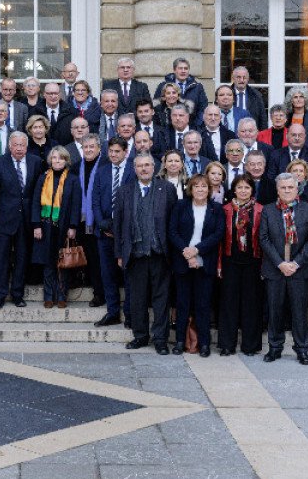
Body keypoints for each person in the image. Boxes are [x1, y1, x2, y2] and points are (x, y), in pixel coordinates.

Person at [114, 153, 176, 354]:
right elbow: (119, 225)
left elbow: (173, 224)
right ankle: (140, 336)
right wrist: (119, 253)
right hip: (135, 254)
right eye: (140, 166)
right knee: (137, 299)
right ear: (134, 168)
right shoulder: (124, 191)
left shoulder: (167, 189)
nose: (144, 169)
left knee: (161, 298)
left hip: (160, 253)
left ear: (155, 167)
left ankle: (160, 339)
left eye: (148, 165)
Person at [259, 172, 308, 365]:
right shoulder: (268, 210)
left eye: (290, 187)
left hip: (299, 270)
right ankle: (275, 347)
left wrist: (295, 263)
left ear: (297, 188)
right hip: (275, 269)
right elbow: (264, 239)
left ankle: (302, 349)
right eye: (283, 187)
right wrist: (280, 263)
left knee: (299, 312)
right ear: (277, 189)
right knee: (275, 311)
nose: (287, 190)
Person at [169, 174, 223, 356]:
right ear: (190, 189)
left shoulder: (216, 209)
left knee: (203, 304)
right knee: (182, 303)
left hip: (205, 261)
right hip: (183, 261)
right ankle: (179, 342)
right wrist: (187, 251)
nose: (200, 190)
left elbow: (217, 234)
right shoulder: (180, 206)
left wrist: (196, 250)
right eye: (196, 186)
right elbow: (172, 231)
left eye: (204, 186)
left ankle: (204, 344)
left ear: (209, 190)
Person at [0, 131, 41, 309]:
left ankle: (17, 294)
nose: (19, 148)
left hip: (26, 221)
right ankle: (0, 295)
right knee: (1, 259)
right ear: (10, 146)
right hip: (3, 220)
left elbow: (37, 195)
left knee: (22, 258)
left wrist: (36, 222)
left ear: (27, 146)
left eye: (22, 145)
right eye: (15, 145)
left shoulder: (36, 162)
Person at [30, 146, 82, 309]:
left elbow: (76, 204)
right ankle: (48, 296)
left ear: (66, 160)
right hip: (45, 227)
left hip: (63, 227)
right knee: (48, 263)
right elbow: (35, 202)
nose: (57, 161)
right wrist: (36, 225)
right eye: (54, 158)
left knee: (62, 262)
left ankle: (61, 295)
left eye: (60, 158)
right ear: (50, 160)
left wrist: (73, 226)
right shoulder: (43, 178)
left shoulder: (73, 179)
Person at [219, 175, 264, 356]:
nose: (243, 191)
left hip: (253, 262)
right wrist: (219, 264)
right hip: (230, 261)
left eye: (247, 187)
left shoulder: (261, 210)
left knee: (251, 304)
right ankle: (227, 345)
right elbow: (220, 240)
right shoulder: (226, 210)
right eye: (240, 187)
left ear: (252, 190)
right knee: (228, 303)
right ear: (234, 190)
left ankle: (250, 346)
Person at [91, 137, 131, 327]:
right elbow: (95, 201)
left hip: (126, 233)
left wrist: (119, 228)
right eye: (111, 151)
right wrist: (102, 224)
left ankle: (130, 314)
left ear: (125, 152)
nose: (114, 155)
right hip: (104, 233)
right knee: (108, 274)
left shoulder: (133, 170)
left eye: (117, 151)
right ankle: (112, 312)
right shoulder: (102, 171)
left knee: (128, 275)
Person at [73, 135, 105, 306]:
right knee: (91, 259)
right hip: (82, 222)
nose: (89, 150)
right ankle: (96, 291)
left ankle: (104, 292)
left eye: (92, 146)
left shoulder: (106, 166)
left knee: (102, 260)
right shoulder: (76, 167)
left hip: (101, 221)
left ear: (99, 148)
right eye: (86, 147)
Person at [154, 57, 208, 122]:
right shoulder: (163, 86)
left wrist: (197, 126)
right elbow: (156, 107)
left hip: (192, 127)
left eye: (186, 68)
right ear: (174, 70)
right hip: (168, 127)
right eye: (180, 68)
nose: (183, 71)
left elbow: (203, 109)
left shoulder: (197, 87)